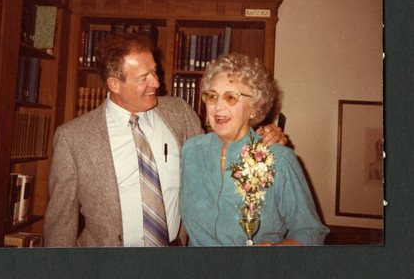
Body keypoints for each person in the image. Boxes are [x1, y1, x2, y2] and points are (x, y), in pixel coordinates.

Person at [44, 33, 286, 247]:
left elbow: (216, 155)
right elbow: (60, 222)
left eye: (155, 71)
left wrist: (260, 140)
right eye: (144, 78)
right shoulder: (73, 138)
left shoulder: (178, 113)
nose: (157, 83)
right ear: (114, 84)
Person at [180, 53, 329, 246]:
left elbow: (311, 232)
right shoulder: (190, 151)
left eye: (231, 97)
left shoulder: (279, 158)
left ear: (254, 107)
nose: (218, 107)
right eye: (212, 96)